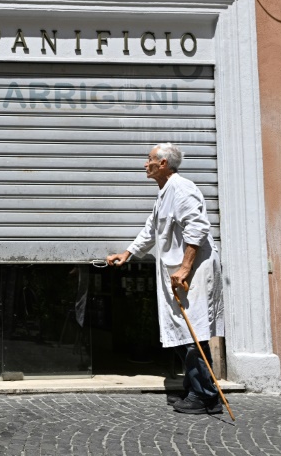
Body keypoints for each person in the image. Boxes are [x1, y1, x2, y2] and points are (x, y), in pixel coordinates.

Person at [106, 143, 224, 414]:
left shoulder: (182, 189)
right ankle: (200, 388)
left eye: (148, 159)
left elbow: (197, 228)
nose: (144, 164)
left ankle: (206, 396)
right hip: (181, 272)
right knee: (185, 334)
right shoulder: (164, 193)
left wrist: (184, 269)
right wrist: (128, 253)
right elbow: (151, 229)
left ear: (163, 163)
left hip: (193, 272)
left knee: (193, 335)